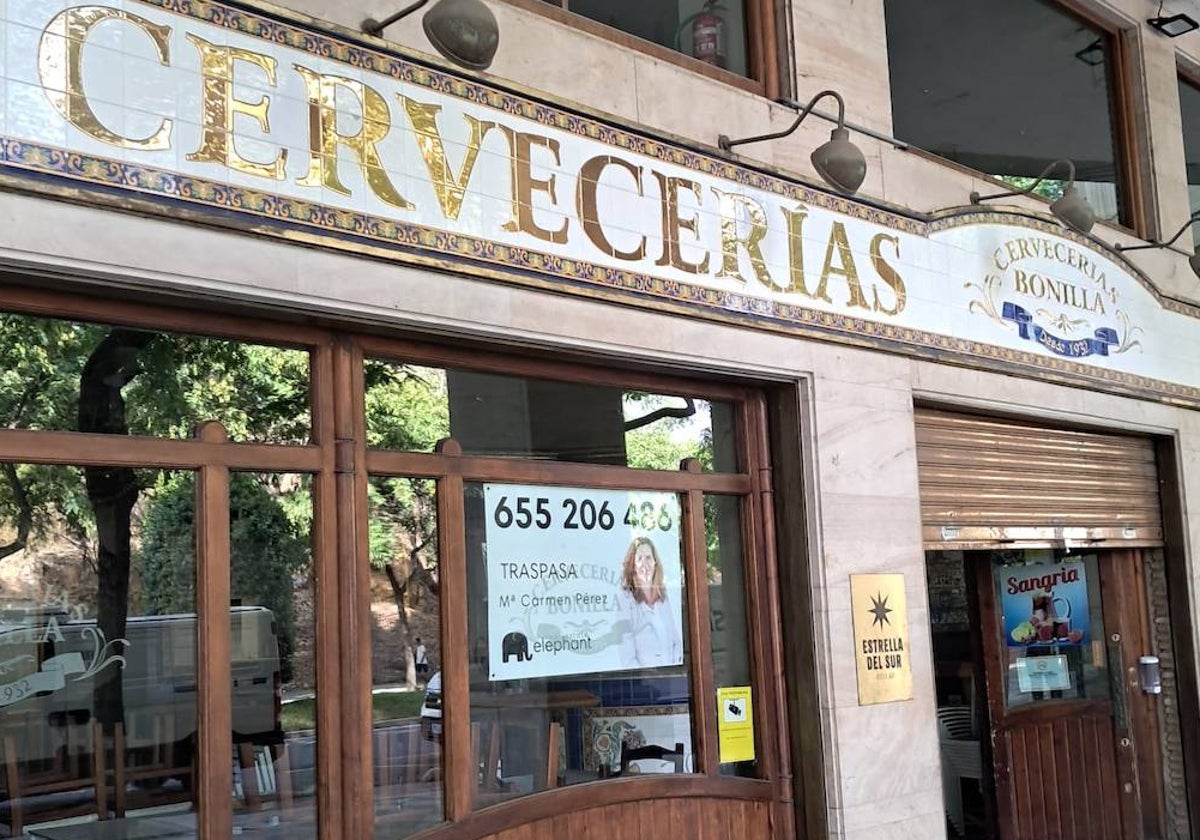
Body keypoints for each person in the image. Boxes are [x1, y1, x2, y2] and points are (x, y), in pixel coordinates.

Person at [617, 537, 682, 668]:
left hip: (671, 679)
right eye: (639, 559)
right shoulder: (625, 600)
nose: (644, 564)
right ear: (633, 566)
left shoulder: (663, 597)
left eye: (648, 558)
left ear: (655, 563)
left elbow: (676, 643)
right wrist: (649, 680)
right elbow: (627, 659)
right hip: (645, 684)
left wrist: (673, 670)